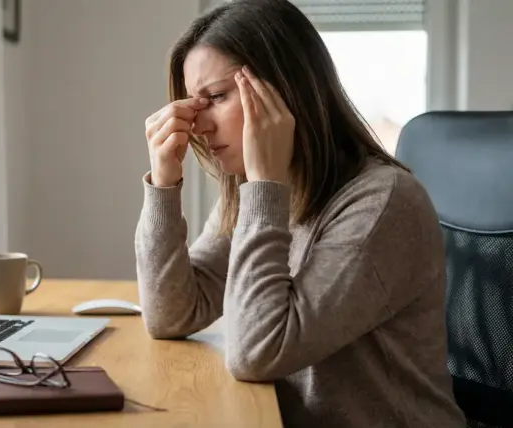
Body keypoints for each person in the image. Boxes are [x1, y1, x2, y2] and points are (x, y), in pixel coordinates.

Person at [134, 0, 466, 426]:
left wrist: (264, 190)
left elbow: (257, 352)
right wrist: (163, 186)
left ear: (285, 90)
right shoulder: (255, 192)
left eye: (215, 97)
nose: (199, 126)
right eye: (193, 106)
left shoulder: (383, 203)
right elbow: (170, 313)